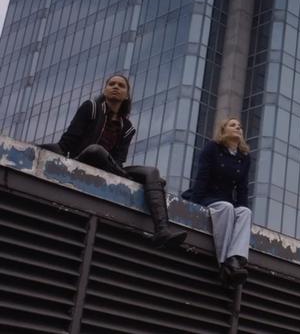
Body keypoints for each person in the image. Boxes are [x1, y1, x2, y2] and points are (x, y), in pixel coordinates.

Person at [41, 74, 187, 248]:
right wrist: (39, 150)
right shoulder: (91, 108)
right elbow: (66, 143)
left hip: (112, 168)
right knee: (96, 150)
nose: (115, 87)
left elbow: (119, 160)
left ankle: (162, 230)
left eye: (121, 85)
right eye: (111, 84)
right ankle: (132, 180)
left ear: (126, 95)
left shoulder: (127, 127)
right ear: (105, 90)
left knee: (152, 172)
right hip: (83, 161)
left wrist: (124, 173)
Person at [189, 118, 252, 287]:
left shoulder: (244, 158)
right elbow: (201, 178)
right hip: (208, 197)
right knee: (227, 207)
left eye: (240, 126)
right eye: (233, 125)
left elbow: (242, 189)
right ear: (223, 131)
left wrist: (242, 207)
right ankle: (224, 265)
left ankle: (235, 260)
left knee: (245, 212)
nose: (238, 127)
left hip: (228, 202)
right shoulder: (212, 149)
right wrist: (194, 206)